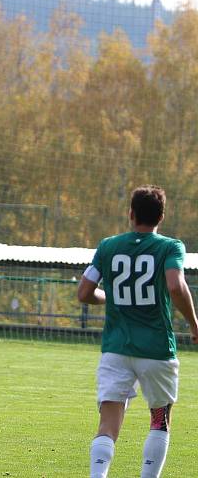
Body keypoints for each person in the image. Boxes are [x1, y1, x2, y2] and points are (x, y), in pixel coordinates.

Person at [77, 185, 198, 478]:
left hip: (116, 349)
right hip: (156, 350)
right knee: (159, 420)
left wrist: (108, 297)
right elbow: (174, 285)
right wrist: (195, 324)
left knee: (107, 423)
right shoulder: (170, 247)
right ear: (162, 217)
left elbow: (84, 293)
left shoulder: (108, 246)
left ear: (131, 214)